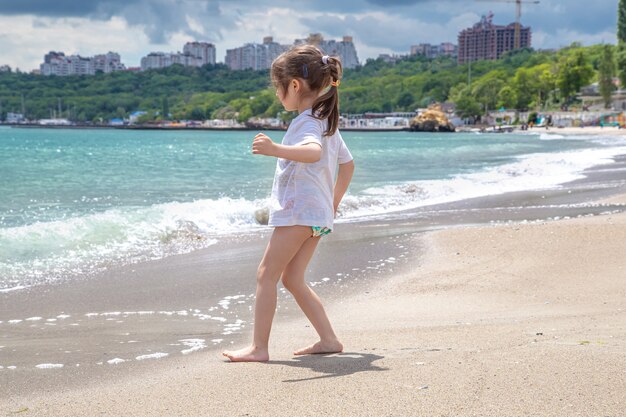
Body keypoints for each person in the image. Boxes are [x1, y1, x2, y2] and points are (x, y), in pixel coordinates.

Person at [223, 45, 355, 362]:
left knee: (265, 275)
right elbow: (347, 165)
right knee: (292, 278)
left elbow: (312, 153)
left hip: (298, 213)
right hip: (316, 215)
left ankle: (259, 348)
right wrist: (331, 204)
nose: (277, 94)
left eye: (278, 87)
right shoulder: (327, 121)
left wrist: (275, 149)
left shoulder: (308, 123)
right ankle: (328, 339)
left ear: (294, 85)